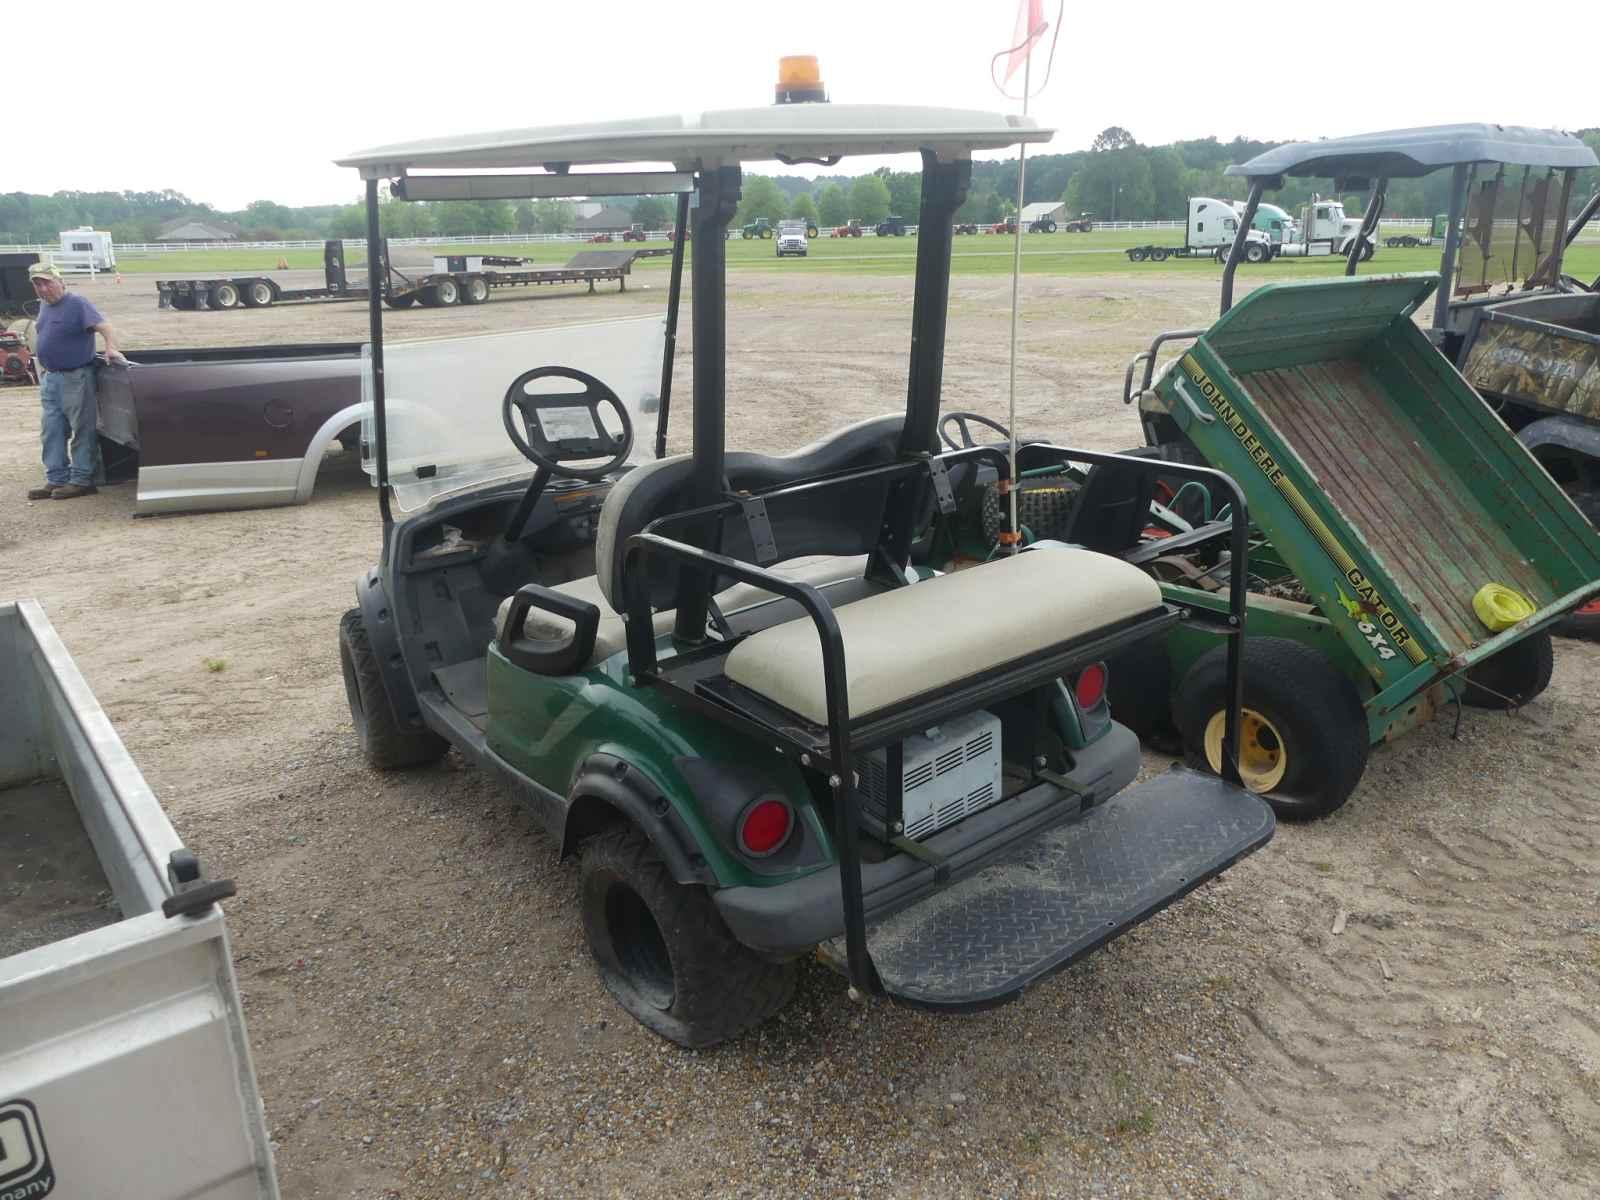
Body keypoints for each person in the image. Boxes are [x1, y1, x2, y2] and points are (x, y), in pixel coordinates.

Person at [26, 263, 127, 501]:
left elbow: (105, 327)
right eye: (37, 285)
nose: (43, 289)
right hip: (51, 378)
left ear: (60, 281)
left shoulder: (77, 304)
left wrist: (111, 348)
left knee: (82, 429)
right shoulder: (45, 306)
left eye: (47, 283)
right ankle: (56, 478)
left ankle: (82, 480)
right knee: (51, 430)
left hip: (75, 377)